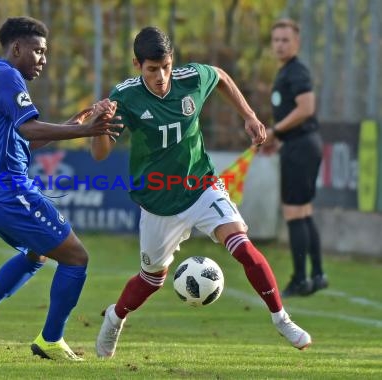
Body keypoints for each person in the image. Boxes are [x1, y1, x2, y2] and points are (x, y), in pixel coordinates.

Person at [91, 26, 312, 359]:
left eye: (166, 66)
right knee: (151, 281)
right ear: (138, 65)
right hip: (158, 199)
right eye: (152, 69)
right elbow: (100, 153)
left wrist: (249, 116)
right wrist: (100, 125)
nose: (161, 75)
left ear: (172, 61)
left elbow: (220, 76)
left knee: (242, 245)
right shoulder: (125, 96)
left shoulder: (191, 78)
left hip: (201, 185)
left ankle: (281, 318)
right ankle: (115, 317)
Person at [0, 16, 121, 362]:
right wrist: (87, 133)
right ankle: (51, 340)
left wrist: (77, 123)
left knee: (38, 253)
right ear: (16, 48)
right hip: (10, 190)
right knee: (76, 258)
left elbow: (24, 140)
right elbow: (29, 130)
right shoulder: (7, 78)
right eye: (38, 51)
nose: (43, 59)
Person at [263, 19, 327, 298]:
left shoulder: (297, 72)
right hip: (299, 145)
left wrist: (275, 131)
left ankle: (301, 279)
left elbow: (306, 108)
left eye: (285, 40)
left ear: (296, 43)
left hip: (301, 147)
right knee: (303, 211)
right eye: (276, 39)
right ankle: (317, 274)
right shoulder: (287, 72)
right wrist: (278, 137)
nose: (279, 45)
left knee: (294, 212)